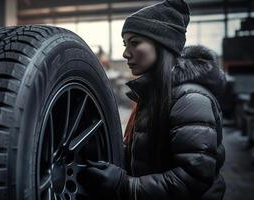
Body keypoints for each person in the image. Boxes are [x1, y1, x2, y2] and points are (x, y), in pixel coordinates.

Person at [79, 0, 226, 199]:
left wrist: (125, 186)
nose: (125, 53)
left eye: (135, 43)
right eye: (125, 44)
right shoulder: (155, 95)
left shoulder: (190, 100)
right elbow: (147, 155)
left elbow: (194, 178)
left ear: (162, 44)